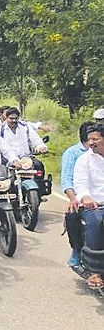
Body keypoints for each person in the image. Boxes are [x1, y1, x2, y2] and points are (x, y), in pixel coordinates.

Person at [74, 123, 104, 289]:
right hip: (95, 205)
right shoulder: (84, 160)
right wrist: (85, 197)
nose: (91, 142)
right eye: (89, 139)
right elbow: (80, 183)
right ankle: (95, 271)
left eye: (95, 139)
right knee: (95, 222)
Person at [62, 121, 94, 268]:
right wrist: (73, 198)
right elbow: (67, 179)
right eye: (91, 139)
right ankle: (77, 249)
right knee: (72, 216)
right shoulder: (73, 153)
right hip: (81, 198)